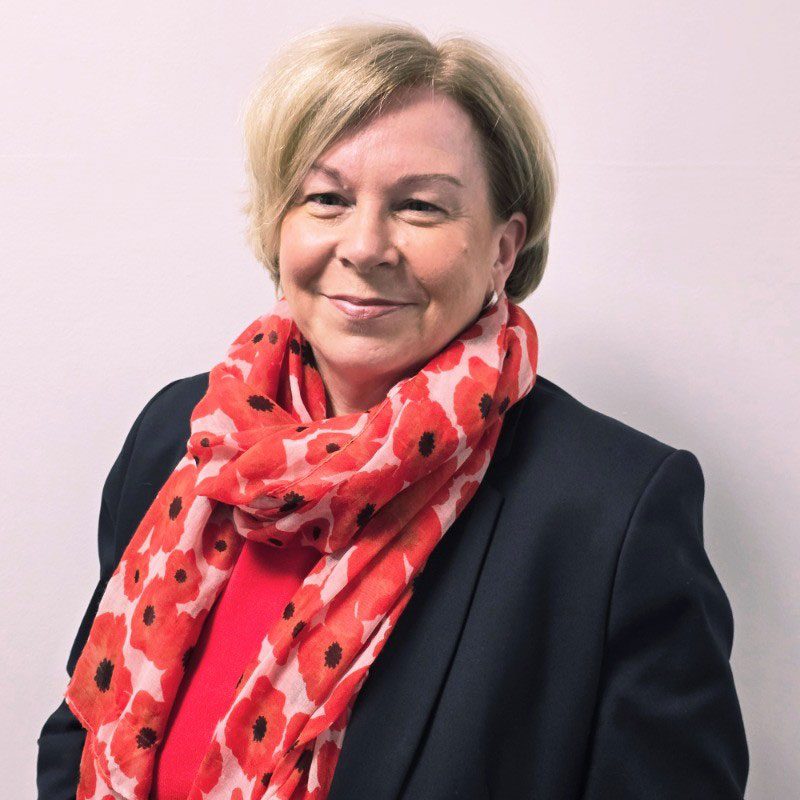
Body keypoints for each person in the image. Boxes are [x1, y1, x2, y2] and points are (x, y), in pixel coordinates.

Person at [36, 20, 749, 800]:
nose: (365, 245)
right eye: (326, 199)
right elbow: (81, 728)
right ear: (279, 226)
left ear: (504, 249)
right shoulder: (182, 434)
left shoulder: (611, 513)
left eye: (420, 208)